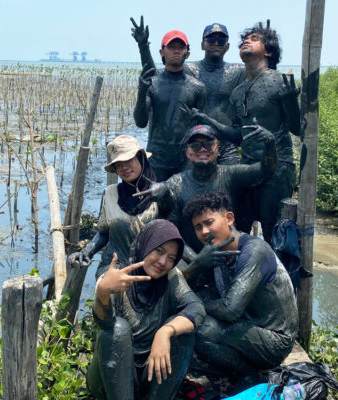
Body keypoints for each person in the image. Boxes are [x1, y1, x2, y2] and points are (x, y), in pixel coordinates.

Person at [185, 21, 301, 241]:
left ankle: (276, 273)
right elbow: (238, 136)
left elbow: (297, 129)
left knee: (273, 231)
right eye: (244, 40)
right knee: (238, 230)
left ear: (268, 51)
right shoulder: (238, 91)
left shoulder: (278, 81)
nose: (246, 41)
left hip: (277, 169)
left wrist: (290, 101)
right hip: (248, 169)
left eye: (254, 39)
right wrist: (207, 120)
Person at [181, 192, 298, 377]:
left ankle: (249, 375)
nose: (204, 232)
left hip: (274, 340)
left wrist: (196, 306)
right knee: (193, 301)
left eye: (209, 223)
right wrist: (197, 265)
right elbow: (189, 289)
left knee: (204, 329)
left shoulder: (253, 251)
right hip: (248, 324)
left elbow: (230, 309)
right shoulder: (218, 251)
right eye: (198, 227)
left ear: (229, 218)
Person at [87, 220, 205, 400]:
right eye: (159, 251)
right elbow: (104, 323)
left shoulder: (171, 277)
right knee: (117, 329)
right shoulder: (120, 276)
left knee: (183, 331)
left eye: (172, 258)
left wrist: (165, 332)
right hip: (109, 381)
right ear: (146, 244)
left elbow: (196, 308)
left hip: (150, 374)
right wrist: (103, 291)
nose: (163, 262)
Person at [134, 124, 276, 255]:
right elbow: (170, 231)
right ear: (187, 153)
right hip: (191, 257)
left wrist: (269, 143)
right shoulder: (176, 183)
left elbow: (265, 171)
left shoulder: (232, 174)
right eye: (196, 146)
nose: (202, 149)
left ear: (217, 148)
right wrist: (163, 190)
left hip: (228, 253)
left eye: (208, 144)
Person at [131, 17, 245, 165]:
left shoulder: (239, 72)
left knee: (227, 185)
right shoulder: (188, 69)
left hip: (226, 145)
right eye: (211, 40)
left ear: (228, 46)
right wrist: (143, 46)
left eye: (221, 40)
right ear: (202, 44)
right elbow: (154, 76)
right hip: (197, 145)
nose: (216, 43)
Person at [67, 135, 160, 280]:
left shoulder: (161, 193)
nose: (124, 167)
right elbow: (104, 232)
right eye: (118, 164)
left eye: (128, 160)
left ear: (141, 158)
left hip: (153, 267)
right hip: (114, 266)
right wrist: (86, 252)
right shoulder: (110, 193)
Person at [133, 29, 207, 181]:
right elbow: (140, 123)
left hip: (185, 160)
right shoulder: (152, 84)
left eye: (181, 48)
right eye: (171, 47)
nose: (176, 51)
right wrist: (141, 92)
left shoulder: (198, 88)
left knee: (184, 204)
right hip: (155, 160)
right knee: (155, 204)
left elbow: (200, 129)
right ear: (162, 52)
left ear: (187, 53)